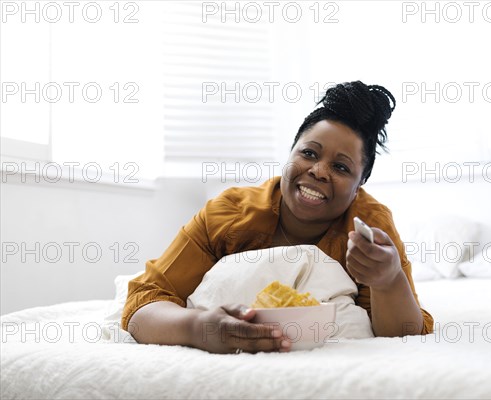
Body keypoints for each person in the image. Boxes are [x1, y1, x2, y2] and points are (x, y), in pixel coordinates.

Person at [123, 81, 434, 354]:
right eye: (309, 153)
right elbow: (144, 303)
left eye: (341, 168)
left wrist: (389, 280)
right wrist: (197, 328)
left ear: (359, 185)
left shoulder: (371, 227)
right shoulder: (228, 214)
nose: (318, 171)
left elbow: (404, 337)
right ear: (290, 153)